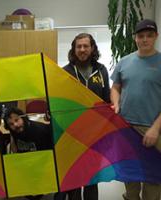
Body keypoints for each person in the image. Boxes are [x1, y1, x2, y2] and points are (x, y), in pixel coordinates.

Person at [55, 33, 110, 200]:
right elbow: (59, 102)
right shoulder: (65, 72)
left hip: (95, 135)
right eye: (78, 46)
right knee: (74, 176)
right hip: (72, 133)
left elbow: (106, 99)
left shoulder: (101, 70)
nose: (82, 50)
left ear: (92, 48)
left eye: (86, 46)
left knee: (92, 177)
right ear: (74, 49)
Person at [111, 19, 161, 200]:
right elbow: (115, 87)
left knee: (153, 176)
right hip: (126, 127)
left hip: (153, 129)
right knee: (130, 173)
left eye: (149, 35)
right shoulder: (124, 62)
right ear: (135, 38)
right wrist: (116, 104)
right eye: (141, 36)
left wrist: (155, 129)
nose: (145, 39)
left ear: (156, 36)